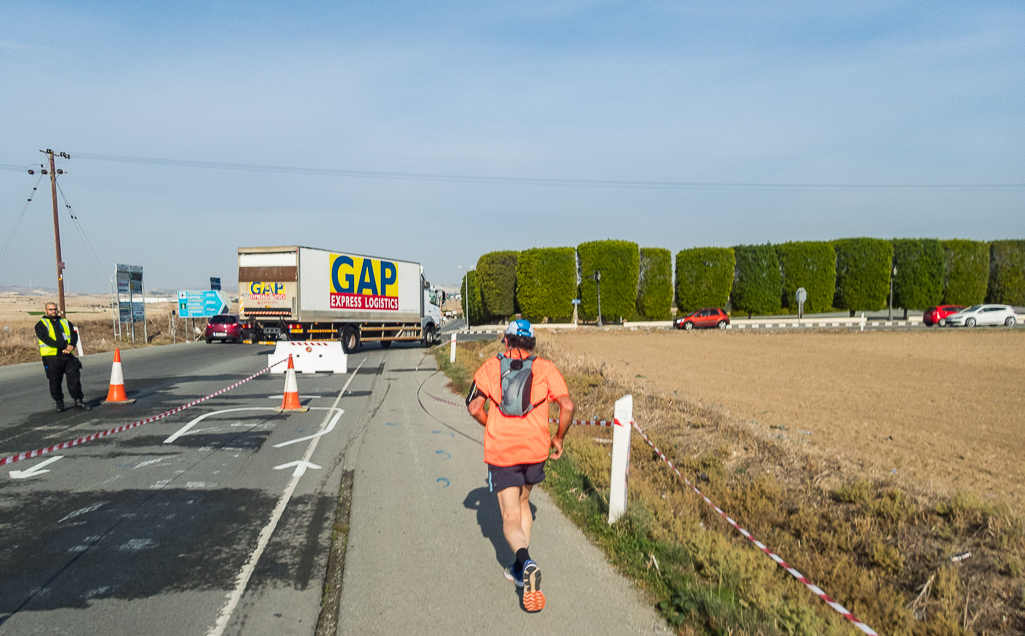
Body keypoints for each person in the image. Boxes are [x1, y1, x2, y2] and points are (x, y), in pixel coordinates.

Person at [466, 319, 574, 613]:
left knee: (510, 514)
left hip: (503, 451)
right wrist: (559, 438)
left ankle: (525, 562)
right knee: (525, 502)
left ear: (506, 341)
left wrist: (491, 426)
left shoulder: (490, 368)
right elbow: (567, 405)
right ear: (532, 345)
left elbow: (474, 406)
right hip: (535, 451)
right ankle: (518, 568)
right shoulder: (546, 369)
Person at [35, 302, 87, 412]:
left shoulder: (65, 322)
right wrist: (63, 346)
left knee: (74, 379)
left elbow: (73, 334)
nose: (53, 311)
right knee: (55, 381)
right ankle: (59, 402)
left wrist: (71, 346)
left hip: (68, 356)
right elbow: (47, 340)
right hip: (51, 358)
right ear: (46, 311)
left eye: (55, 309)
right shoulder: (41, 324)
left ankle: (78, 401)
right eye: (50, 309)